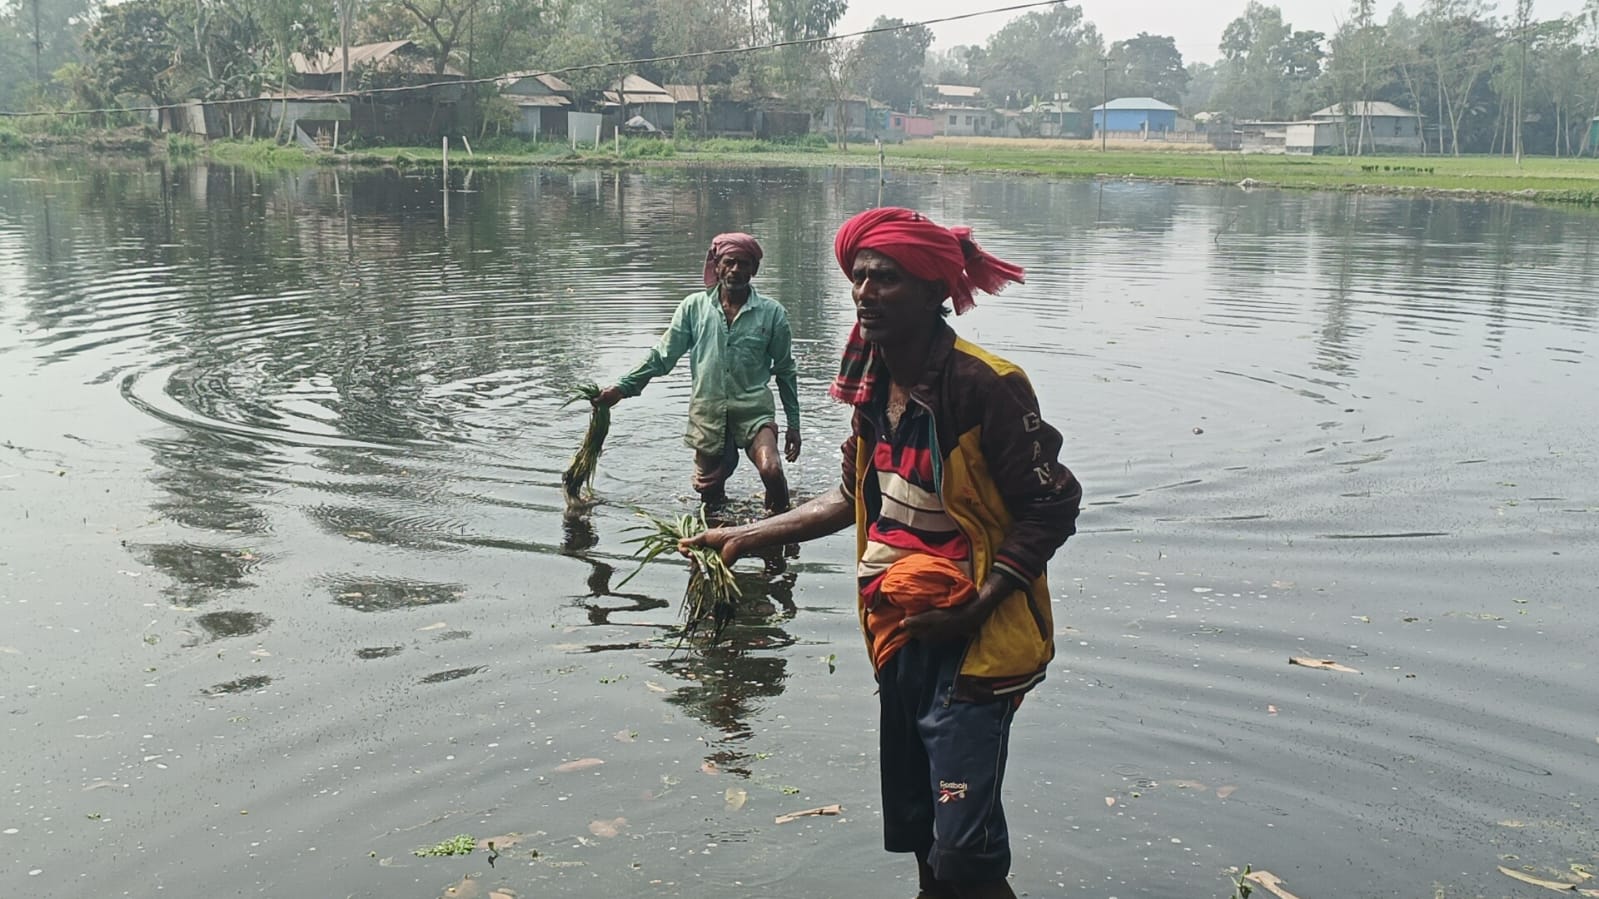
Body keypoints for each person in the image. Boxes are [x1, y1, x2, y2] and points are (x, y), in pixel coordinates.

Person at [681, 207, 1082, 899]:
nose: (865, 292)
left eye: (887, 279)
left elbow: (1052, 504)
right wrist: (742, 537)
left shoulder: (984, 386)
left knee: (965, 855)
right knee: (922, 835)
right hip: (897, 631)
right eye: (860, 277)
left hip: (974, 642)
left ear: (934, 292)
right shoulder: (873, 390)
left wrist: (975, 608)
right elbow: (849, 498)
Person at [596, 233, 801, 512]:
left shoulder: (772, 313)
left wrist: (794, 425)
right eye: (729, 262)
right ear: (717, 266)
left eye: (744, 264)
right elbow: (662, 356)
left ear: (754, 269)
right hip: (708, 414)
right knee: (709, 494)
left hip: (753, 412)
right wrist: (621, 388)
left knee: (772, 471)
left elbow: (786, 369)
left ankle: (780, 534)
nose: (736, 270)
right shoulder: (694, 307)